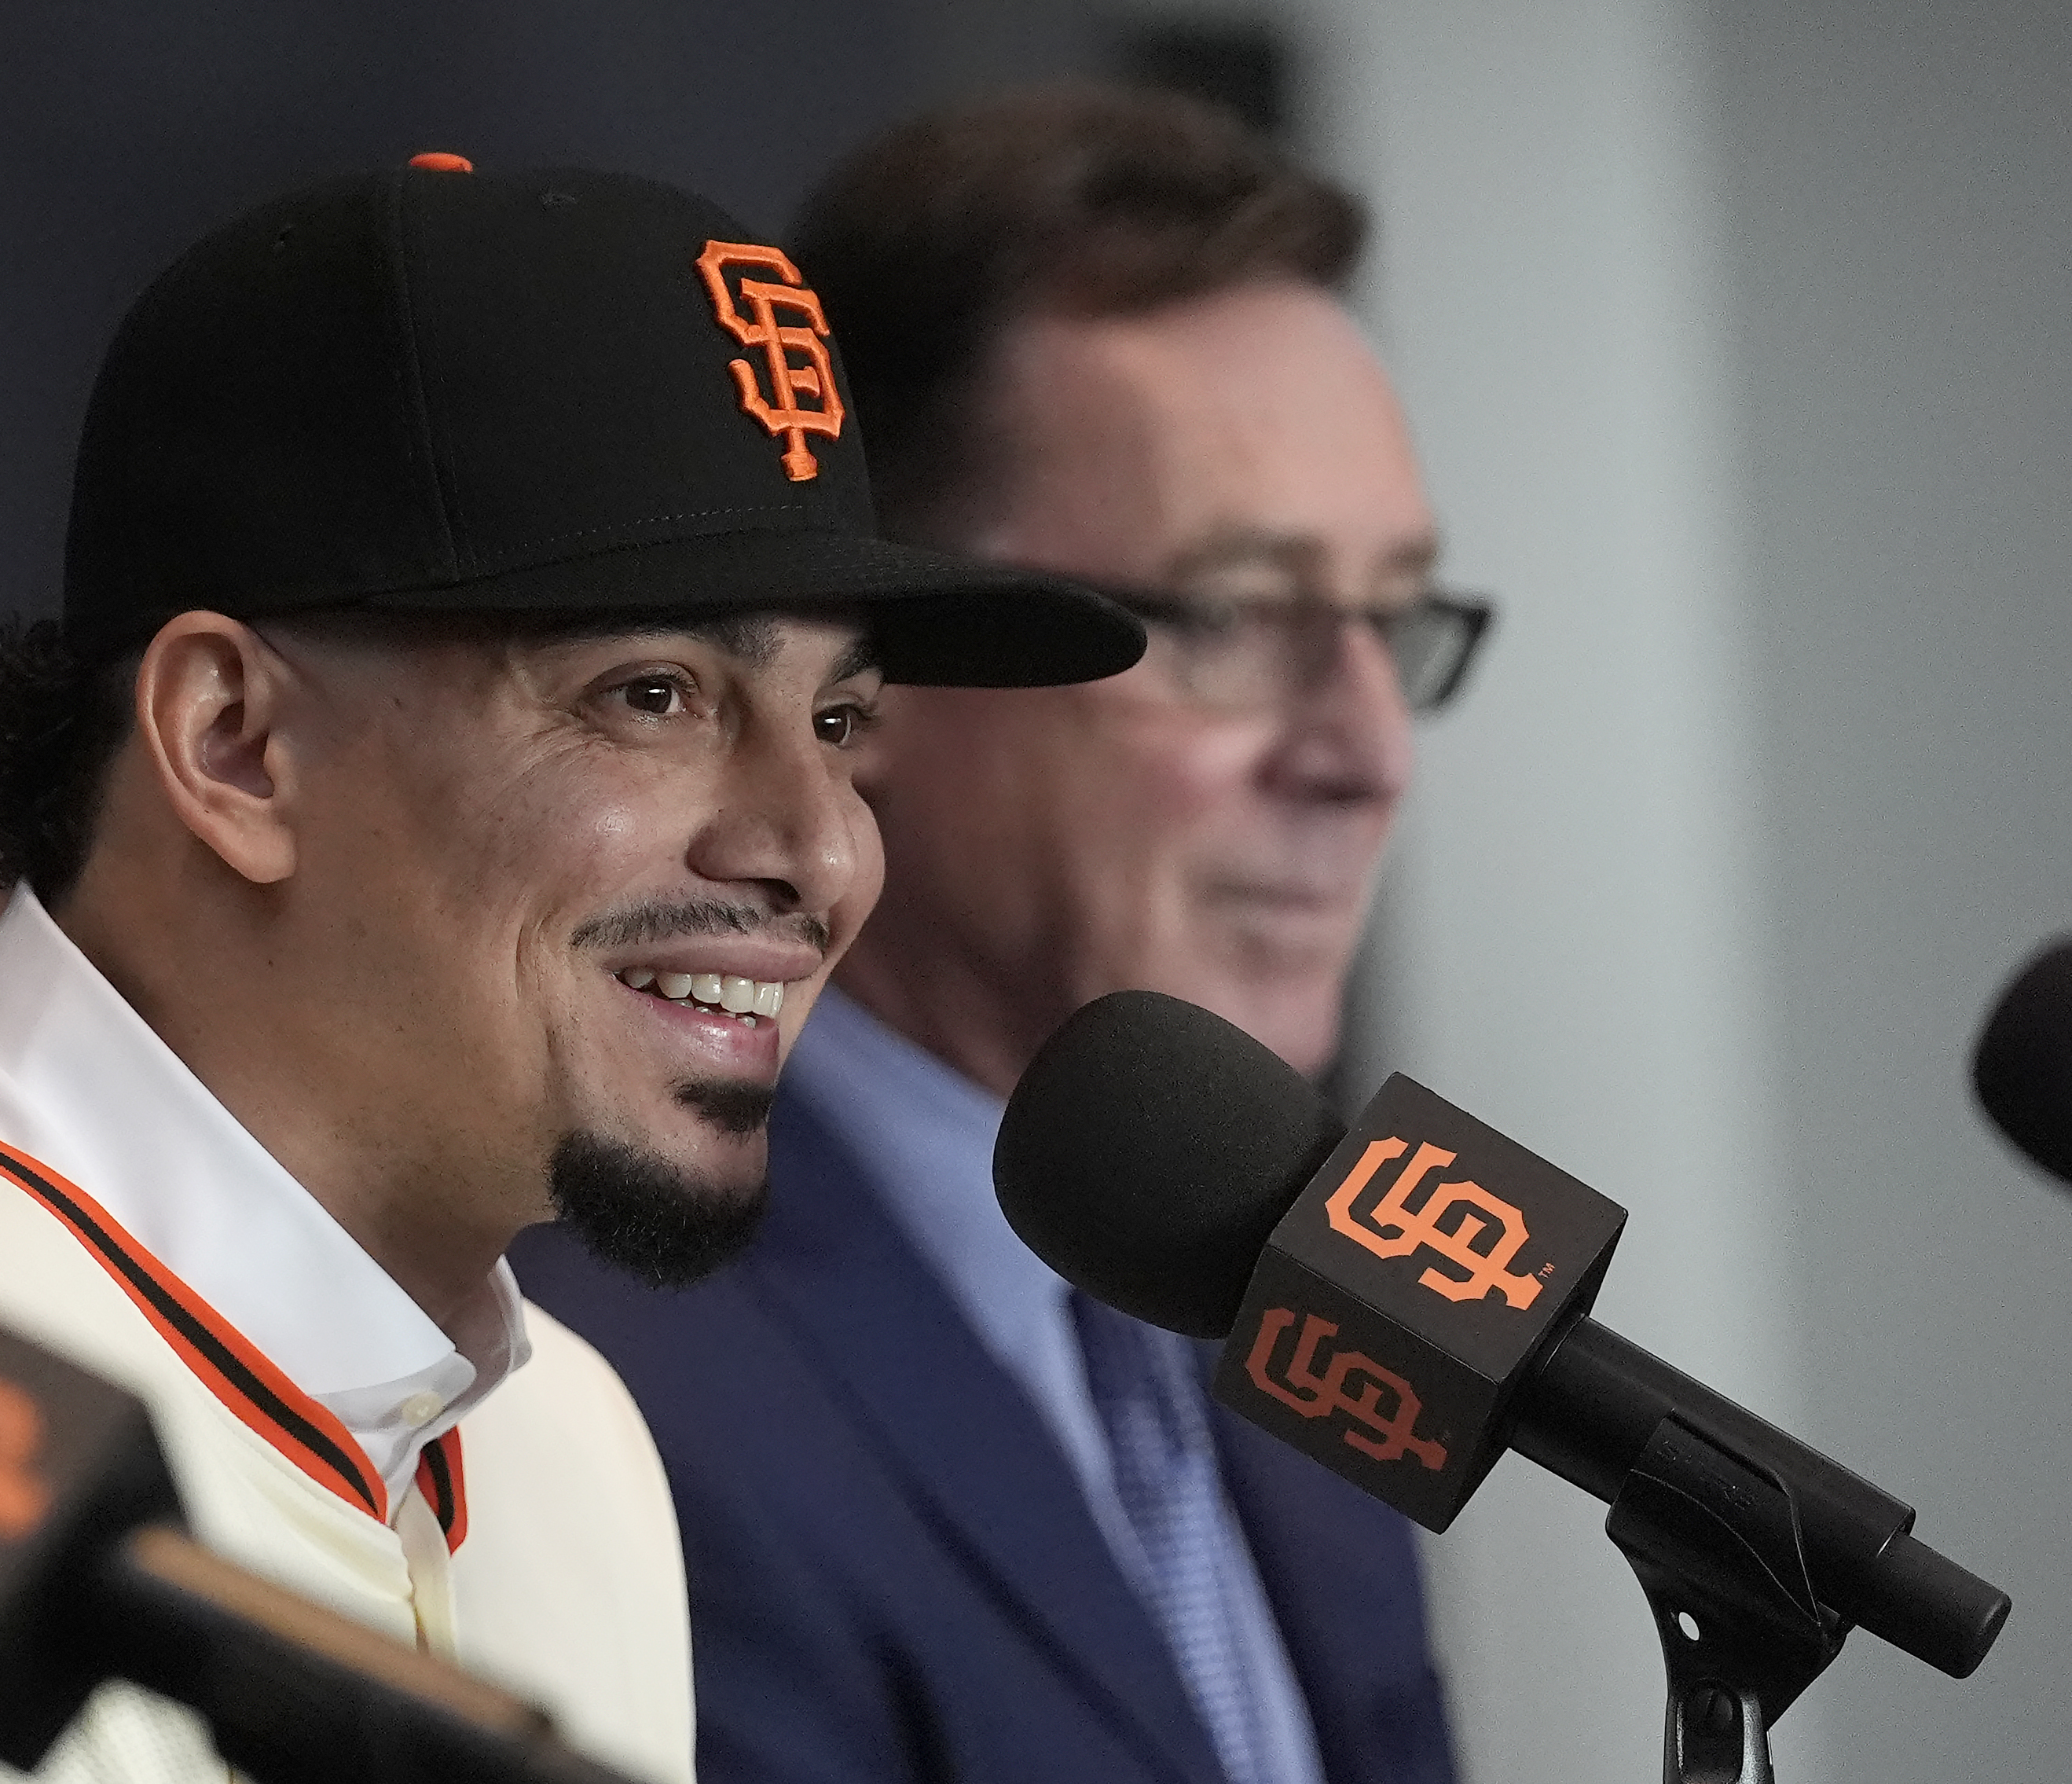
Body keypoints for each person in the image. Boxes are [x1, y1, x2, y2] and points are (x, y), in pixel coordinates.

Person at [0, 156, 1142, 1784]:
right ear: (234, 744)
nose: (821, 851)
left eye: (838, 721)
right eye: (652, 695)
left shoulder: (568, 1447)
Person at [515, 86, 1487, 1784]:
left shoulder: (1307, 1293)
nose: (1364, 751)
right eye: (1237, 615)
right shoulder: (599, 1382)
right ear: (880, 665)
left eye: (1390, 619)